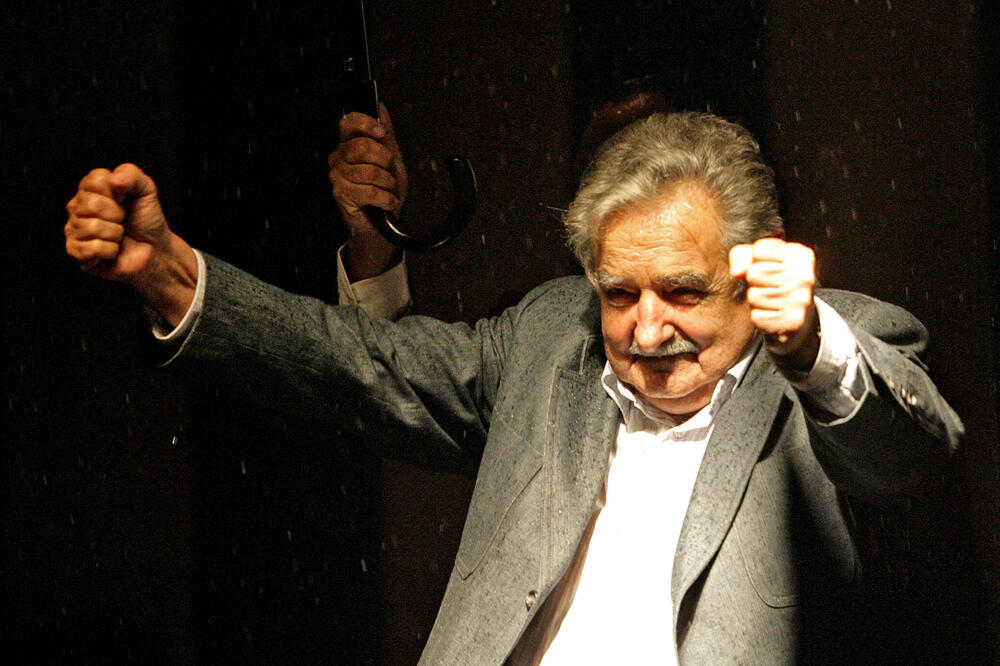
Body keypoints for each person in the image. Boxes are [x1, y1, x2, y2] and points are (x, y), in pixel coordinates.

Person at [64, 109, 962, 664]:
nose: (648, 329)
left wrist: (809, 343)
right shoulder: (549, 335)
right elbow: (363, 365)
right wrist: (171, 275)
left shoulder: (829, 342)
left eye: (683, 292)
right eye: (620, 294)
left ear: (754, 270)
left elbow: (906, 455)